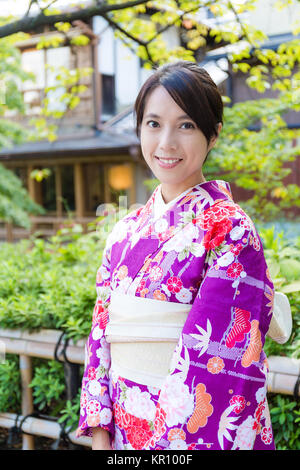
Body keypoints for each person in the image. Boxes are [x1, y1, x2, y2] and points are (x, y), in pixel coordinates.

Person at [76, 60, 276, 450]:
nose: (165, 142)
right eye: (153, 124)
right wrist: (101, 437)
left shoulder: (231, 229)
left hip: (180, 437)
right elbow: (100, 337)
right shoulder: (122, 232)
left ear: (213, 134)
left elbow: (221, 362)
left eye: (185, 125)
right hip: (119, 433)